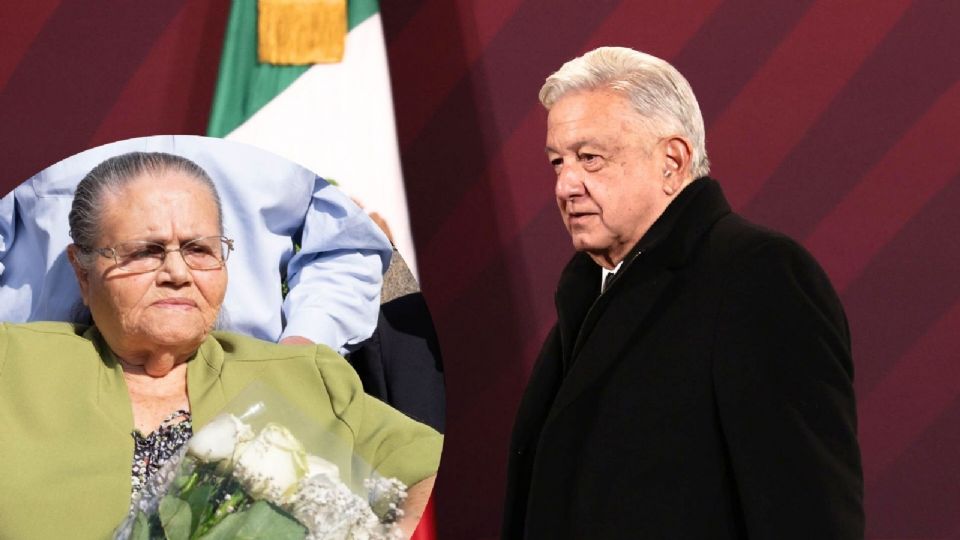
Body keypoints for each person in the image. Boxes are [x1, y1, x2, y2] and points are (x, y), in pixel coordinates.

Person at [503, 47, 863, 539]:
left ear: (672, 161)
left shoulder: (758, 276)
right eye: (557, 162)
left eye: (590, 158)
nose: (566, 185)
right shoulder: (588, 292)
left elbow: (808, 513)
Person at [0, 152, 441, 539]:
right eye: (146, 251)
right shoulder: (15, 365)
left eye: (199, 249)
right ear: (82, 271)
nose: (177, 272)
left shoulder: (304, 375)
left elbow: (428, 469)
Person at [0, 135, 392, 355]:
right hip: (42, 384)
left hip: (249, 391)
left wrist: (303, 347)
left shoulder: (289, 85)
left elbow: (346, 243)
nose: (176, 273)